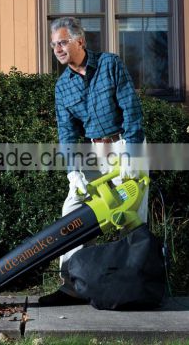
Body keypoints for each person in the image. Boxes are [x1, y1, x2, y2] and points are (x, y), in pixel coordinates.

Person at [38, 17, 147, 306]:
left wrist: (132, 155)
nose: (57, 49)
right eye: (53, 45)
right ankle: (71, 286)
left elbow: (132, 111)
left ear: (79, 42)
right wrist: (73, 171)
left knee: (129, 216)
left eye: (62, 42)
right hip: (94, 152)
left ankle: (135, 287)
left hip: (124, 142)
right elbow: (67, 133)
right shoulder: (63, 87)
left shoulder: (110, 65)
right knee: (71, 209)